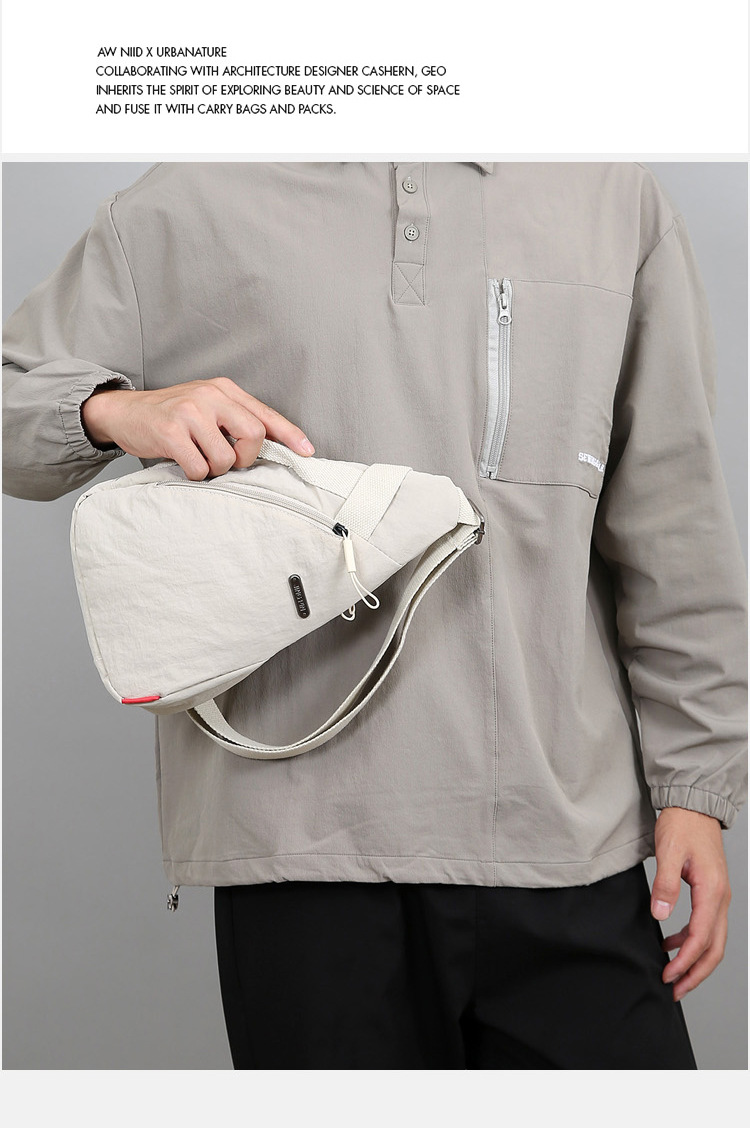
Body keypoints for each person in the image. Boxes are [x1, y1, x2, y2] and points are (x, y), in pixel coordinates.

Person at [2, 161, 746, 1069]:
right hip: (298, 847)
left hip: (565, 832)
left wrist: (696, 788)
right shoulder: (190, 198)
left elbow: (671, 514)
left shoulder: (610, 195)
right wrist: (115, 408)